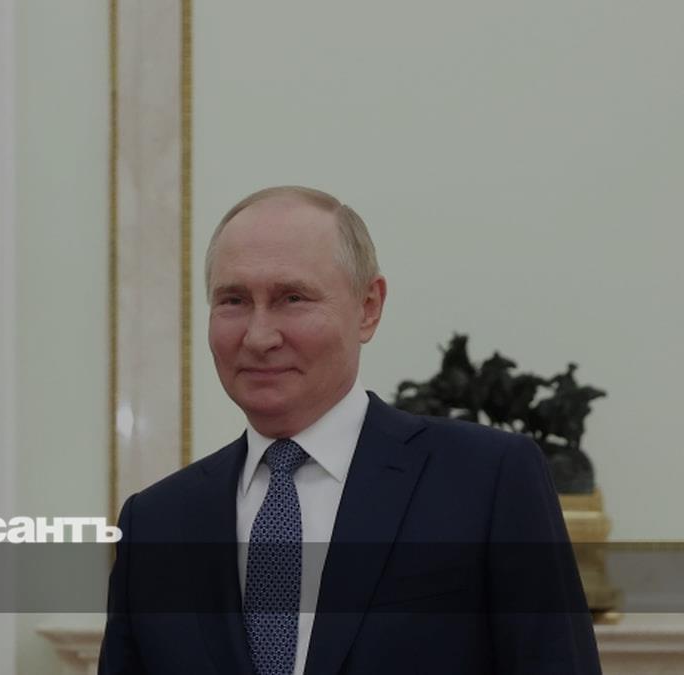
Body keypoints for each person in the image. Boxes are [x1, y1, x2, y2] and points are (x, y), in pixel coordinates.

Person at [98, 186, 600, 674]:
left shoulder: (487, 480)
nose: (258, 336)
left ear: (368, 307)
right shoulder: (155, 523)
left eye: (292, 297)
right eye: (233, 300)